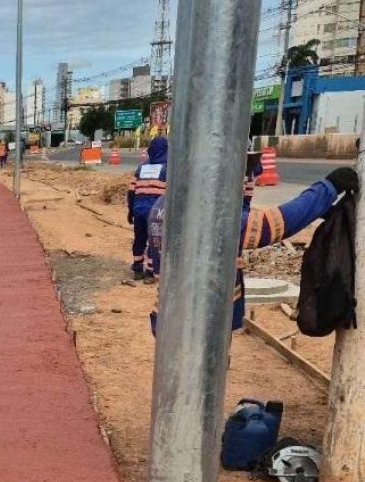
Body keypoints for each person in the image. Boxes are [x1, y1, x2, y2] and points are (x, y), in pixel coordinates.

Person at [146, 156, 360, 334]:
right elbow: (273, 225)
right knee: (199, 381)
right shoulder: (210, 213)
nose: (250, 184)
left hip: (173, 316)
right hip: (200, 324)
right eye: (246, 177)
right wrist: (328, 188)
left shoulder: (165, 204)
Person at [127, 136, 169, 278]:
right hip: (156, 212)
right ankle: (150, 271)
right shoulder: (168, 168)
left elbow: (131, 190)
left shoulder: (141, 167)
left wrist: (131, 211)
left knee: (139, 238)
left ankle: (137, 268)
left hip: (139, 209)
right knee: (155, 241)